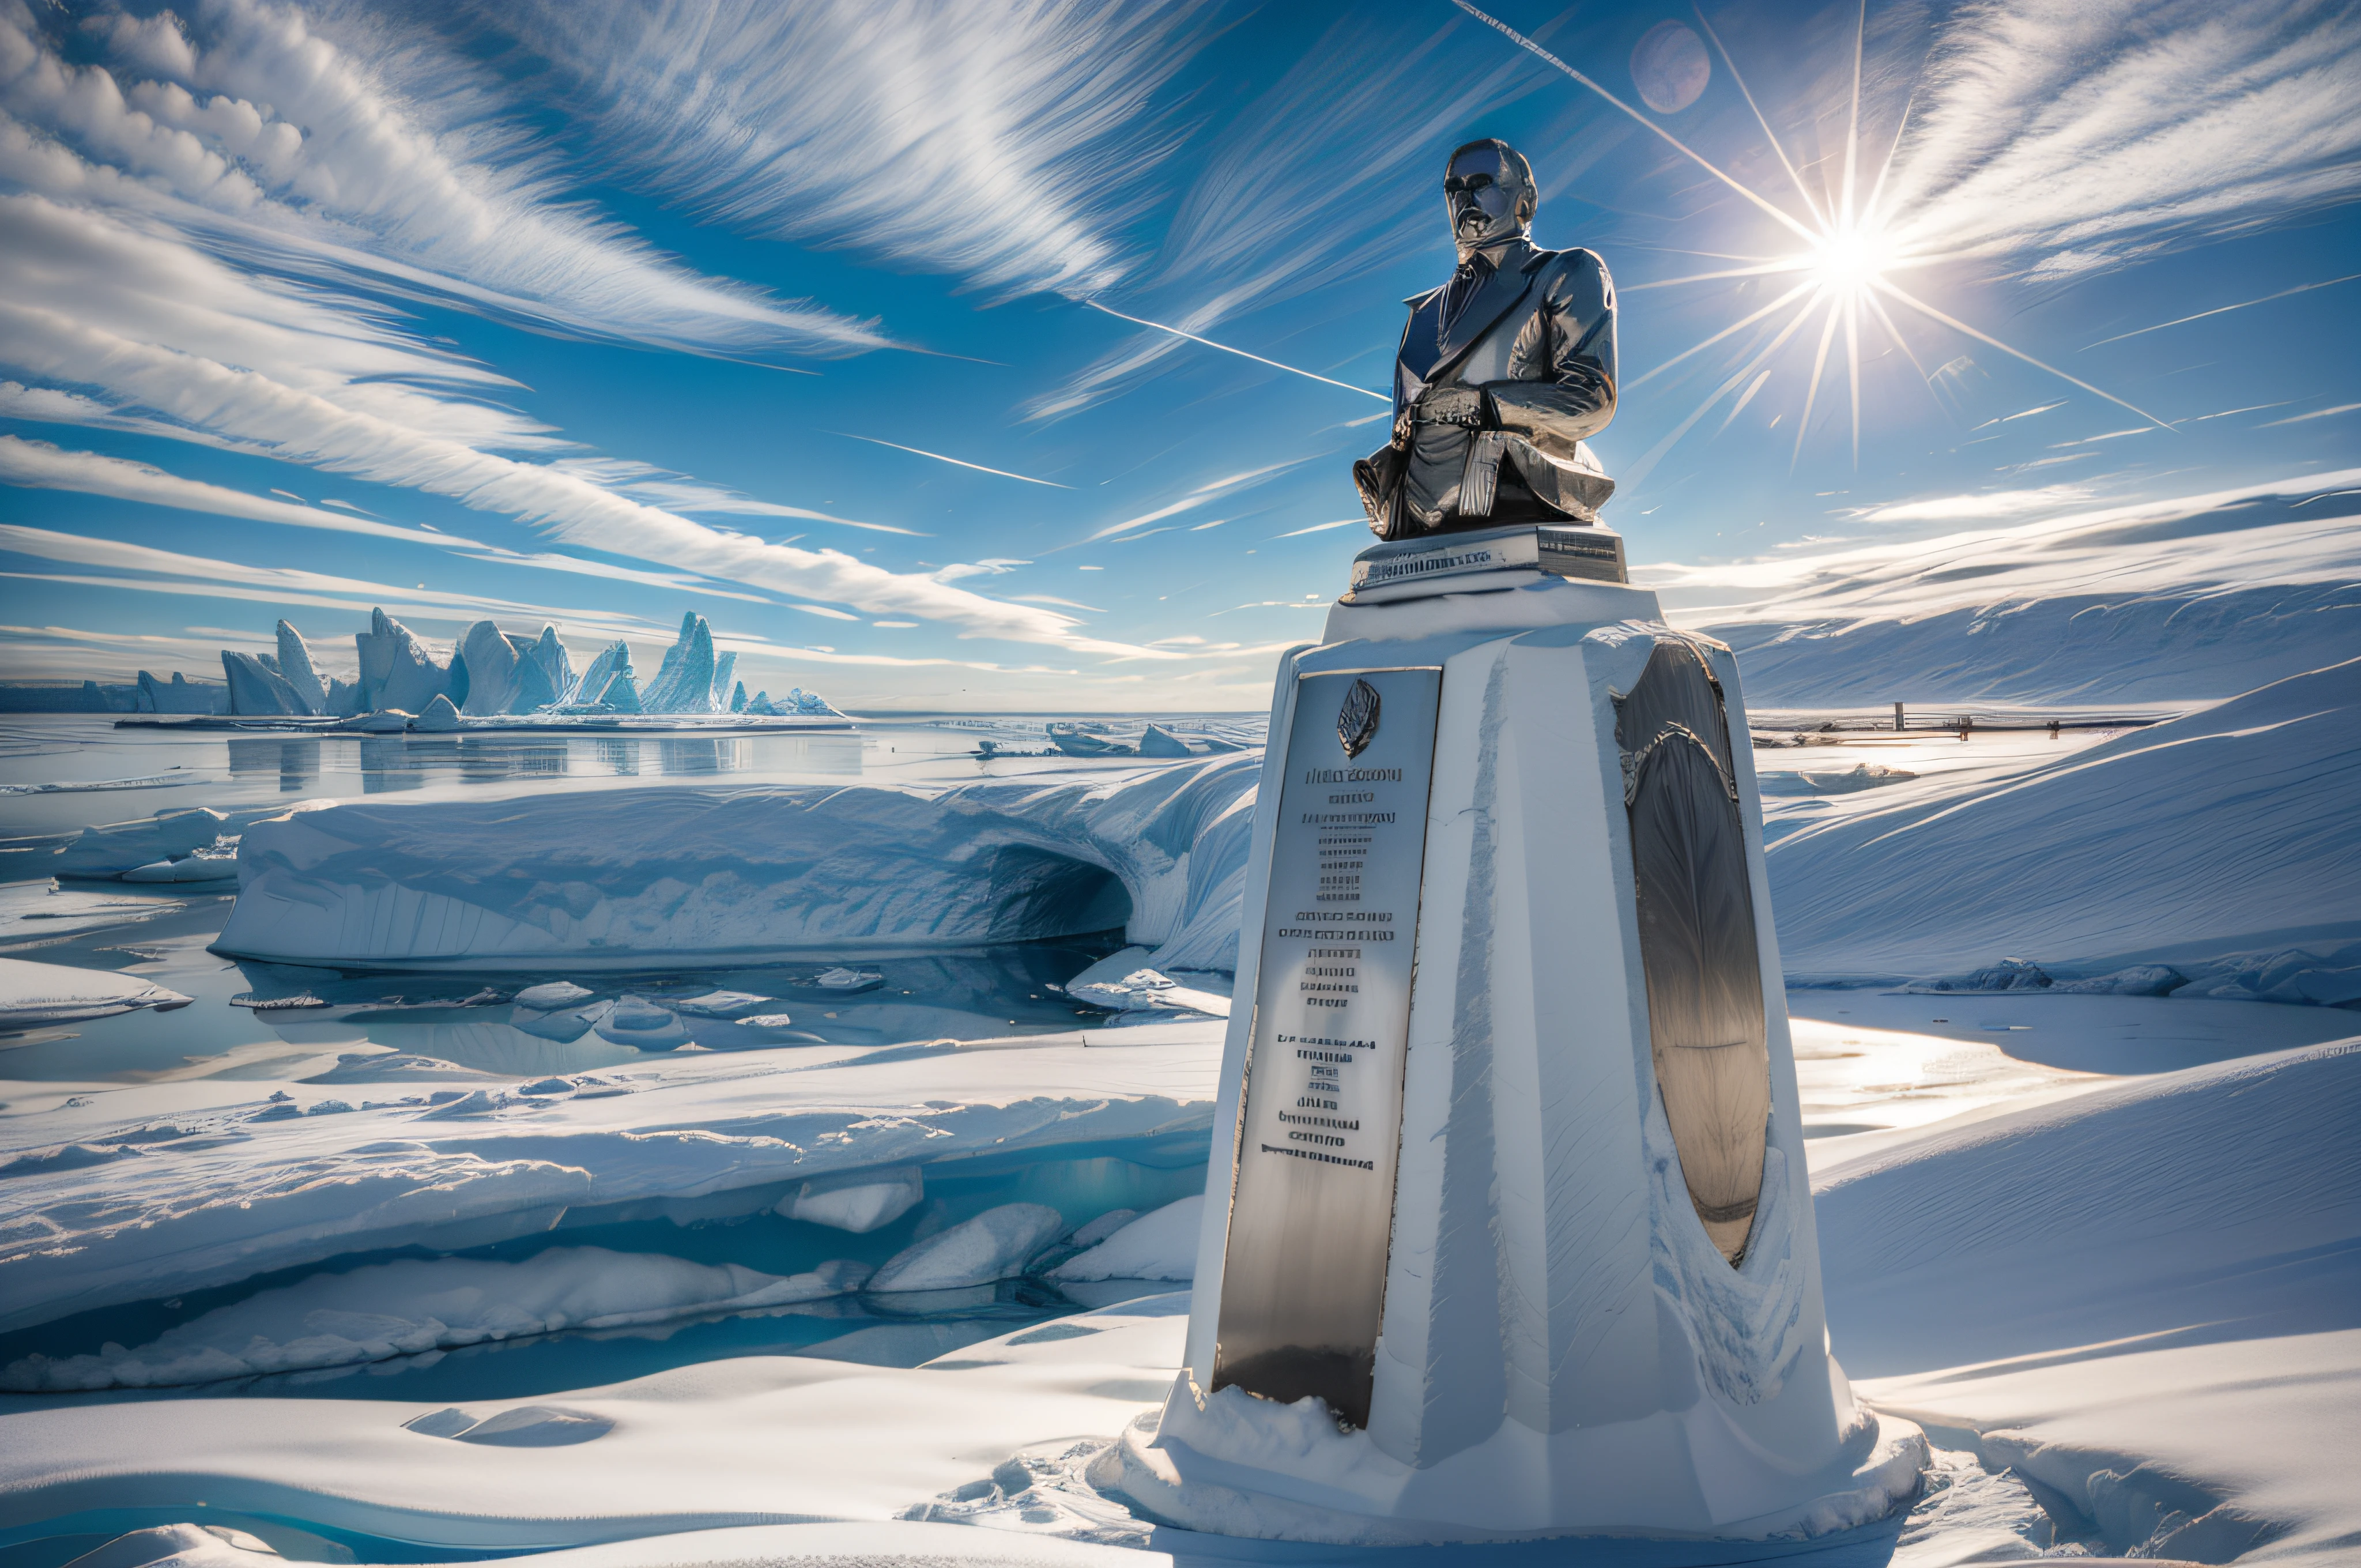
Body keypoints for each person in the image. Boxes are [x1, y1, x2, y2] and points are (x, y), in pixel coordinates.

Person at [1354, 138, 1619, 540]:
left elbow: (1592, 400)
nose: (1466, 198)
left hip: (1514, 498)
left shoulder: (1567, 272)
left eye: (1482, 184)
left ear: (1525, 201)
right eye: (1455, 190)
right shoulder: (1421, 316)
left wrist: (1484, 403)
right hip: (1414, 522)